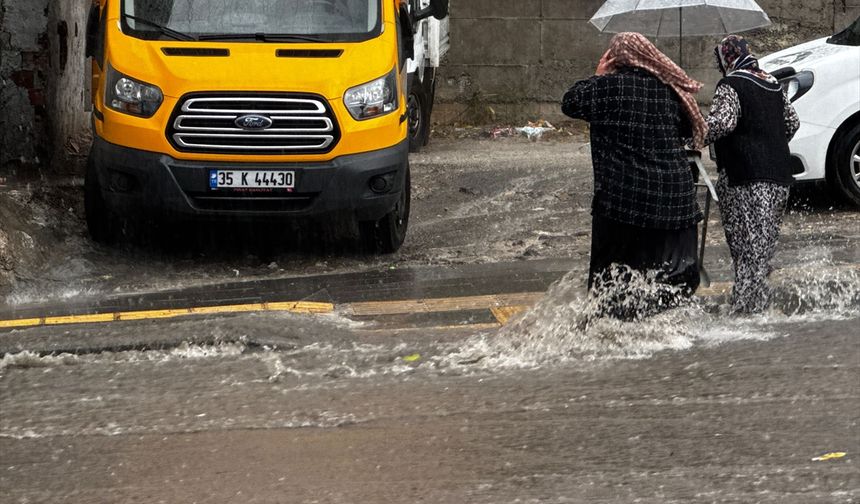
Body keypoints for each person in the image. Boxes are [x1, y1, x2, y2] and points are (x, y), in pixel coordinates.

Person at [561, 32, 707, 318]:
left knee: (613, 283)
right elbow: (688, 131)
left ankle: (613, 333)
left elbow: (571, 102)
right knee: (665, 282)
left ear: (616, 57)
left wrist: (598, 75)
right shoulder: (669, 91)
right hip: (675, 203)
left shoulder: (609, 88)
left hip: (624, 203)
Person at [705, 35, 800, 314]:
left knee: (747, 249)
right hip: (779, 177)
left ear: (726, 58)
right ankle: (755, 306)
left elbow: (722, 123)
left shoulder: (730, 84)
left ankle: (747, 312)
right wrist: (769, 143)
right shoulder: (771, 83)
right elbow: (792, 122)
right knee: (762, 249)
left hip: (744, 177)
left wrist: (693, 135)